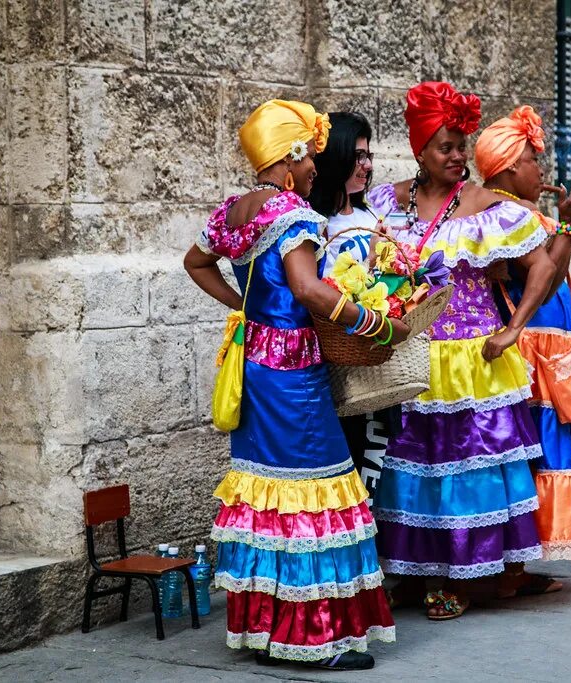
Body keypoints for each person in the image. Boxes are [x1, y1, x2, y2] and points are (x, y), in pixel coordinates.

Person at [183, 99, 409, 670]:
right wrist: (373, 321)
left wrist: (246, 310)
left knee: (269, 496)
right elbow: (309, 291)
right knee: (317, 492)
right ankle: (314, 640)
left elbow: (196, 262)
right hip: (293, 375)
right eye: (309, 158)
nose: (315, 169)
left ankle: (266, 629)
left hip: (254, 365)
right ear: (290, 158)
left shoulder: (232, 211)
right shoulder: (295, 214)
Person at [367, 82, 557, 620]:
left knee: (464, 472)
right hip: (409, 357)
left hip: (473, 361)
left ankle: (463, 578)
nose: (457, 156)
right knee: (411, 467)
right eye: (445, 146)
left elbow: (541, 265)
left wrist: (514, 328)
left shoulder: (488, 207)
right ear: (419, 150)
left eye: (461, 144)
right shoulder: (387, 202)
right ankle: (409, 570)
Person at [475, 105, 571, 578]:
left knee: (553, 448)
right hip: (534, 353)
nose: (542, 169)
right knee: (537, 452)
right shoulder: (504, 214)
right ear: (512, 167)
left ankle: (520, 570)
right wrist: (569, 224)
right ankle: (512, 573)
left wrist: (560, 222)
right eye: (535, 160)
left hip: (555, 347)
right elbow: (548, 274)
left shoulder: (524, 211)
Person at [308, 111, 401, 488]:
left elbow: (387, 278)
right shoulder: (317, 223)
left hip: (377, 359)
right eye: (358, 156)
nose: (366, 165)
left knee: (377, 464)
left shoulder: (368, 213)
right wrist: (371, 259)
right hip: (343, 365)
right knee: (354, 464)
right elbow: (325, 291)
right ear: (336, 158)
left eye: (368, 156)